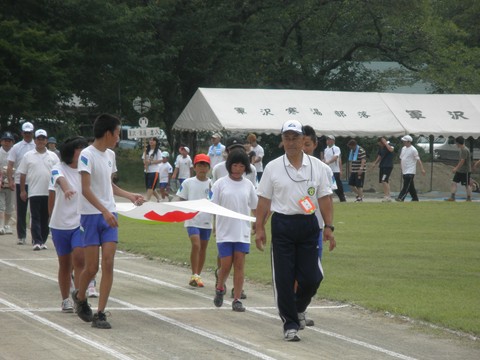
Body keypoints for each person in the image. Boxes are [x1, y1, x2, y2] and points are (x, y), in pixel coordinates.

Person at [255, 120, 335, 342]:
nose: (291, 142)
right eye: (286, 138)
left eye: (295, 138)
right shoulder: (272, 167)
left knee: (313, 276)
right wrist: (259, 227)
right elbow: (264, 201)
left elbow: (325, 198)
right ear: (282, 141)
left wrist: (328, 226)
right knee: (284, 278)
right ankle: (289, 324)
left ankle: (299, 307)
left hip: (309, 225)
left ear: (303, 140)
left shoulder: (317, 167)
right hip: (283, 225)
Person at [72, 114, 145, 329]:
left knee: (109, 262)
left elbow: (109, 186)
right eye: (117, 133)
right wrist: (103, 211)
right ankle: (80, 295)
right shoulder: (87, 155)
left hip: (109, 214)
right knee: (92, 267)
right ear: (107, 133)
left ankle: (100, 313)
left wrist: (130, 195)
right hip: (92, 215)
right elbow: (85, 189)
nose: (118, 138)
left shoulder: (110, 155)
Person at [211, 136, 257, 300]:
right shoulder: (220, 184)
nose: (238, 169)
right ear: (229, 165)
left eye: (241, 166)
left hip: (242, 231)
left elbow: (254, 206)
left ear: (246, 167)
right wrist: (215, 226)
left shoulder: (248, 185)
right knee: (226, 264)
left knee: (239, 265)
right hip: (225, 230)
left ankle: (237, 298)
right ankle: (220, 286)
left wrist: (258, 225)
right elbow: (212, 206)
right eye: (235, 165)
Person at [48, 136, 89, 312]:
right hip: (60, 224)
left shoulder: (86, 170)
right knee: (65, 264)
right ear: (71, 152)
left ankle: (80, 298)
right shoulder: (58, 167)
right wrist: (66, 190)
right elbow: (59, 179)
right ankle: (66, 299)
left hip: (79, 222)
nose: (82, 152)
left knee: (80, 259)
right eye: (79, 148)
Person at [18, 129, 60, 251]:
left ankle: (42, 240)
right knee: (35, 217)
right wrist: (22, 190)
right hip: (34, 191)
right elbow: (22, 174)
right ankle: (37, 241)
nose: (41, 141)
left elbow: (59, 173)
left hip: (49, 191)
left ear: (46, 141)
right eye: (38, 139)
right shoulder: (28, 156)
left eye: (43, 139)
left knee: (46, 217)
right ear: (35, 140)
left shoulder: (53, 156)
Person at [176, 154, 213, 287]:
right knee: (196, 245)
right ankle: (194, 273)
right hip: (192, 219)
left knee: (203, 248)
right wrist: (182, 213)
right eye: (199, 165)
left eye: (205, 165)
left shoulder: (212, 184)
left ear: (208, 168)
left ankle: (197, 275)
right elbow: (181, 198)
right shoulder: (188, 182)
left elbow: (215, 202)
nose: (202, 168)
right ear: (195, 167)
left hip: (206, 220)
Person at [7, 121, 36, 245]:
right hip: (20, 181)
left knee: (35, 210)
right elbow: (10, 164)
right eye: (26, 133)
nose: (28, 135)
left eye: (30, 133)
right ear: (22, 133)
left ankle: (36, 236)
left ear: (32, 133)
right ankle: (22, 235)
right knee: (21, 210)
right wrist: (10, 180)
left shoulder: (37, 146)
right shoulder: (16, 147)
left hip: (35, 181)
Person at [396, 135, 426, 202]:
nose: (403, 142)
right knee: (410, 186)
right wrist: (401, 166)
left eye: (405, 141)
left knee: (406, 185)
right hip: (404, 170)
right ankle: (415, 198)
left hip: (410, 171)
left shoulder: (413, 150)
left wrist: (422, 169)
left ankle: (401, 197)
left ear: (409, 142)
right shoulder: (403, 148)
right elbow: (401, 158)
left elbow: (418, 160)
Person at [445, 136, 472, 202]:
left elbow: (462, 161)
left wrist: (456, 168)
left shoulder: (464, 150)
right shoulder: (461, 149)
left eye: (456, 143)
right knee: (454, 182)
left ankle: (469, 198)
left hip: (465, 171)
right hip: (460, 171)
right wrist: (457, 169)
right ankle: (452, 197)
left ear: (458, 143)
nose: (455, 144)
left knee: (467, 185)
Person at [322, 135, 346, 202]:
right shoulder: (325, 149)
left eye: (330, 140)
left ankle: (342, 198)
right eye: (327, 140)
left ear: (333, 141)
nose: (328, 141)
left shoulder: (336, 148)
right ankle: (329, 199)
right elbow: (325, 159)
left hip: (335, 170)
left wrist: (328, 162)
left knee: (337, 185)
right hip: (328, 170)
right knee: (328, 184)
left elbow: (336, 157)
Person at [370, 137, 395, 202]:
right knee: (384, 181)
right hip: (382, 166)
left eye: (380, 144)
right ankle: (387, 195)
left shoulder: (390, 145)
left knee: (384, 180)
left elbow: (391, 150)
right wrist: (374, 163)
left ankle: (387, 196)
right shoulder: (381, 148)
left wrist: (385, 143)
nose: (380, 145)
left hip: (388, 166)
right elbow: (379, 156)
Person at [0, 132, 15, 235]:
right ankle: (1, 225)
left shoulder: (15, 152)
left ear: (12, 142)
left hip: (11, 181)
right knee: (1, 205)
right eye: (5, 140)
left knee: (10, 205)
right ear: (1, 141)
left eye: (9, 141)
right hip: (0, 181)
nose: (7, 143)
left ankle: (6, 224)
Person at [142, 137, 162, 202]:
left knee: (151, 186)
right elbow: (143, 159)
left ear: (156, 142)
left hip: (154, 171)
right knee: (149, 187)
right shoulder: (146, 150)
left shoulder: (158, 151)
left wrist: (151, 162)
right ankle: (159, 198)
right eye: (150, 140)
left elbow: (160, 160)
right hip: (147, 171)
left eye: (153, 140)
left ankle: (147, 199)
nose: (151, 141)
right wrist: (145, 163)